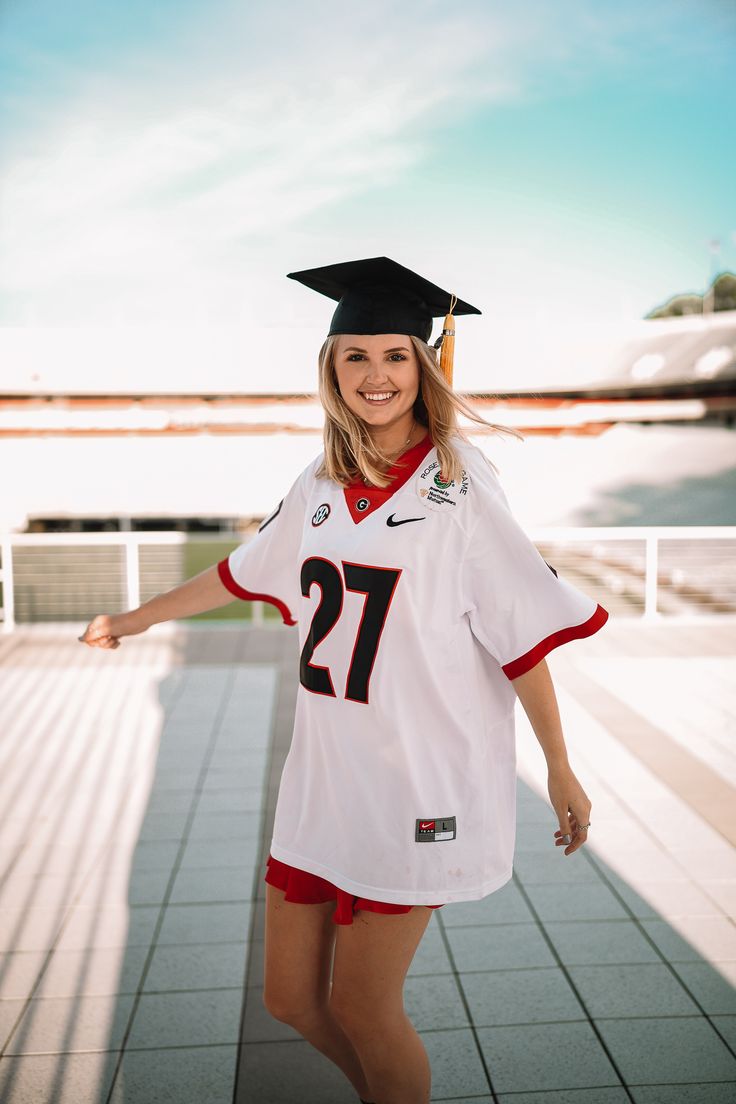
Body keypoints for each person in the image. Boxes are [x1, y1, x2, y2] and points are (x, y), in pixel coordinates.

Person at [79, 256, 608, 1104]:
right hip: (324, 778)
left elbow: (523, 634)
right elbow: (246, 571)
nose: (376, 375)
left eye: (395, 355)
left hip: (418, 783)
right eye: (355, 356)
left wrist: (558, 763)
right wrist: (137, 617)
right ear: (330, 369)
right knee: (290, 1000)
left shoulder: (460, 484)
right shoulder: (319, 479)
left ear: (424, 365)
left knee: (366, 1008)